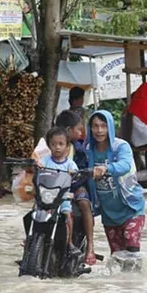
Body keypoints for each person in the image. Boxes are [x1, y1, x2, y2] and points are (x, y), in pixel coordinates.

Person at [86, 111, 147, 255]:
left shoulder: (120, 146)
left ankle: (136, 278)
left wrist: (106, 168)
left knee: (132, 250)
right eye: (95, 126)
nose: (99, 130)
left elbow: (125, 165)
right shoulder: (88, 149)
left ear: (110, 127)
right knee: (117, 256)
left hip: (131, 208)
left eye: (103, 126)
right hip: (108, 214)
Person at [53, 110, 97, 265]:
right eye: (78, 129)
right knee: (38, 203)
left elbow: (85, 167)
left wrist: (82, 173)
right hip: (53, 187)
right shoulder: (48, 146)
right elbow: (38, 158)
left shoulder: (78, 148)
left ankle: (90, 246)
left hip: (75, 186)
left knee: (84, 204)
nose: (80, 133)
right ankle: (32, 241)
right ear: (67, 130)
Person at [40, 127, 82, 257]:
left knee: (67, 214)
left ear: (67, 146)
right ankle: (31, 239)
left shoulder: (70, 164)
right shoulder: (45, 160)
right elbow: (38, 169)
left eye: (60, 144)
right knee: (35, 214)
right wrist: (36, 166)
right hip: (46, 196)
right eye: (53, 144)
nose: (57, 147)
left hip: (62, 197)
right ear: (49, 145)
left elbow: (76, 175)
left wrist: (74, 174)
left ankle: (69, 243)